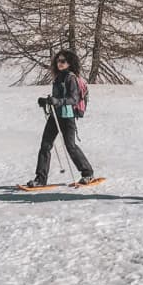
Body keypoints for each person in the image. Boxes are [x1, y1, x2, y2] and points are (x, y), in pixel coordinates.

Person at [25, 49, 95, 187]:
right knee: (45, 146)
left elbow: (73, 99)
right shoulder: (58, 78)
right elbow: (57, 98)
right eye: (58, 60)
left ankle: (88, 173)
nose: (59, 63)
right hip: (55, 115)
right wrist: (46, 101)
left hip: (67, 116)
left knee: (70, 146)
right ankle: (40, 179)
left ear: (69, 63)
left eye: (63, 61)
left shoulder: (71, 78)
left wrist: (57, 101)